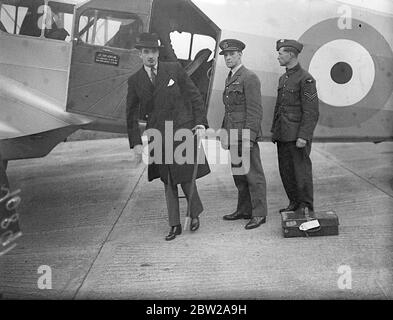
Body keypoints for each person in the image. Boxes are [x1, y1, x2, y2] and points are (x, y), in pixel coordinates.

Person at [126, 33, 210, 241]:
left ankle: (194, 212)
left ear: (158, 53)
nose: (150, 56)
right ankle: (174, 224)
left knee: (186, 176)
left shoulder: (173, 69)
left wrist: (200, 122)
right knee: (168, 180)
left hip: (182, 130)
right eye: (146, 52)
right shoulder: (135, 80)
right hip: (158, 135)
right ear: (140, 55)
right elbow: (130, 114)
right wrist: (136, 143)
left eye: (153, 51)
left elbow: (194, 95)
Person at [219, 39, 268, 230]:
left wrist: (250, 137)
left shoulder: (249, 77)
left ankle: (259, 213)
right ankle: (244, 209)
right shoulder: (230, 77)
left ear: (240, 54)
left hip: (244, 135)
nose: (228, 58)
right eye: (226, 55)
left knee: (253, 175)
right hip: (232, 134)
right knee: (239, 174)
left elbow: (255, 110)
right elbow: (229, 110)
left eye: (232, 54)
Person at [271, 39, 319, 214]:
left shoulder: (306, 79)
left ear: (291, 54)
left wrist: (304, 136)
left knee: (301, 172)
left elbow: (311, 111)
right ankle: (294, 202)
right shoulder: (283, 78)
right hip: (283, 134)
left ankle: (306, 205)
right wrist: (274, 131)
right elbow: (279, 107)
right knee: (286, 171)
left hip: (297, 135)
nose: (278, 56)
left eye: (281, 53)